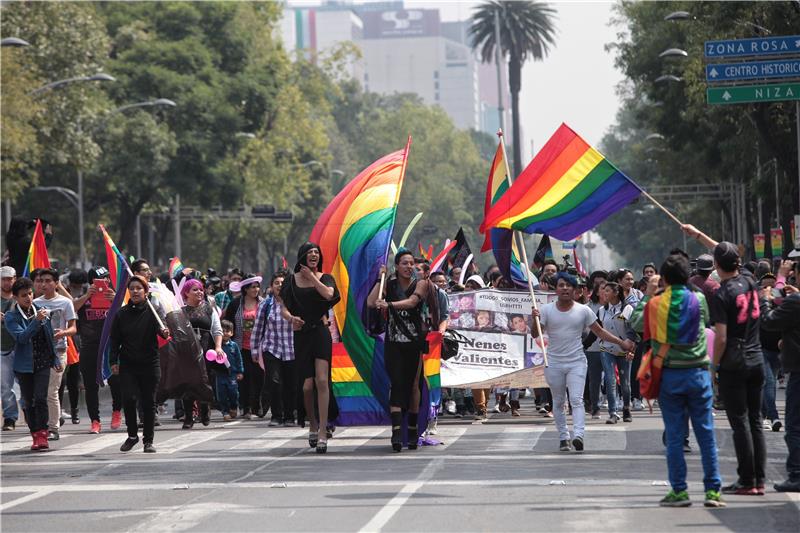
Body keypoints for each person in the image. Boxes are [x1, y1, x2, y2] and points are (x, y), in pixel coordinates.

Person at [630, 254, 724, 508]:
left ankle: (680, 491)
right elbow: (704, 324)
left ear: (665, 278)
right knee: (705, 434)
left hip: (670, 375)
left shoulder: (656, 303)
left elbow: (635, 322)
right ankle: (713, 491)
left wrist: (650, 292)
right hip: (698, 374)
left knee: (674, 436)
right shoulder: (699, 299)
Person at [532, 272, 635, 452]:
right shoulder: (546, 310)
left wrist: (622, 343)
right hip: (554, 363)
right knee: (558, 401)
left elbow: (600, 332)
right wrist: (534, 318)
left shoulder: (583, 310)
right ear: (555, 289)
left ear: (576, 290)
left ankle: (578, 435)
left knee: (576, 400)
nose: (564, 288)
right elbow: (535, 333)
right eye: (561, 285)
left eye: (568, 285)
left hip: (577, 362)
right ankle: (564, 437)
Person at [710, 241, 767, 496]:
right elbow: (727, 254)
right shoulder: (750, 282)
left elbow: (720, 337)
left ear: (716, 266)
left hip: (734, 362)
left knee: (740, 422)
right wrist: (699, 234)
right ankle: (759, 478)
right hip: (757, 359)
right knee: (755, 420)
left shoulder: (722, 294)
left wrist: (714, 365)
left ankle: (746, 480)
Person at [369, 249, 438, 451]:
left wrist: (388, 305)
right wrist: (378, 279)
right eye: (405, 263)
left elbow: (412, 302)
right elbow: (371, 302)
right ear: (396, 266)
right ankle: (397, 432)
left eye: (411, 264)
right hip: (393, 343)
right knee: (397, 383)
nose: (409, 267)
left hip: (414, 342)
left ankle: (413, 428)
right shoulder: (388, 283)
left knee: (413, 385)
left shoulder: (422, 284)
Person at [280, 242, 340, 454]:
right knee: (306, 386)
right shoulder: (290, 281)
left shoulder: (325, 277)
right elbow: (284, 308)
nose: (314, 255)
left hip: (321, 332)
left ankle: (323, 431)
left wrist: (313, 278)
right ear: (302, 256)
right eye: (310, 252)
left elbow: (329, 294)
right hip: (301, 335)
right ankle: (312, 424)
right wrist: (291, 318)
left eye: (317, 253)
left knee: (322, 380)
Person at [109, 276, 169, 453]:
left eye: (139, 288)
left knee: (148, 402)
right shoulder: (121, 314)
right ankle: (132, 436)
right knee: (128, 399)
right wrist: (113, 361)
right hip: (128, 363)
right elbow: (115, 340)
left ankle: (148, 441)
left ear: (146, 291)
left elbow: (163, 329)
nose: (135, 291)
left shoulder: (154, 310)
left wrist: (165, 332)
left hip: (150, 363)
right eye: (132, 288)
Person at [5, 277, 62, 451]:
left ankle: (43, 434)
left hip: (43, 361)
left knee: (41, 398)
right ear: (15, 297)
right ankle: (35, 433)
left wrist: (55, 358)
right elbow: (22, 338)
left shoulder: (41, 311)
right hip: (24, 365)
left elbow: (48, 338)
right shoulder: (11, 316)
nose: (28, 298)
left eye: (30, 293)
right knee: (28, 401)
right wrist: (36, 321)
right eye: (23, 295)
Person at [760, 258, 800, 492]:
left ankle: (796, 475)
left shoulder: (794, 301)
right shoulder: (795, 299)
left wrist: (765, 300)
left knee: (794, 426)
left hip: (798, 370)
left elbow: (769, 321)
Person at [73, 266, 119, 434]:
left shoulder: (116, 297)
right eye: (101, 279)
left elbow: (126, 313)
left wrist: (116, 300)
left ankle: (116, 411)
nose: (105, 281)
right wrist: (87, 296)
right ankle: (95, 421)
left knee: (116, 381)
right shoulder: (84, 299)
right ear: (92, 282)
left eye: (107, 278)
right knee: (91, 386)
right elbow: (71, 309)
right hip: (89, 347)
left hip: (111, 347)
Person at [33, 268, 77, 441]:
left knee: (52, 390)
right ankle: (43, 424)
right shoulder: (34, 302)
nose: (44, 284)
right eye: (41, 280)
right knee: (39, 392)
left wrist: (63, 333)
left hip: (59, 351)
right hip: (38, 352)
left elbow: (74, 328)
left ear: (56, 283)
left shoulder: (66, 303)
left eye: (48, 281)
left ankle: (53, 428)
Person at [252, 272, 296, 427]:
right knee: (274, 381)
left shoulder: (294, 302)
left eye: (282, 282)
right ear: (271, 286)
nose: (279, 285)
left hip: (291, 349)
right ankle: (276, 416)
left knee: (290, 383)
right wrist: (254, 349)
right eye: (276, 282)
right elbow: (258, 328)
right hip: (271, 348)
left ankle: (289, 415)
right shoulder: (266, 304)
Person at [181, 278, 223, 429]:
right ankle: (188, 417)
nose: (199, 292)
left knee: (206, 382)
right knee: (188, 384)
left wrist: (218, 347)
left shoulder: (209, 309)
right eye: (195, 290)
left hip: (207, 351)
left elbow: (217, 330)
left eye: (200, 289)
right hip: (188, 352)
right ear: (186, 293)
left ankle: (204, 410)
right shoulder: (181, 311)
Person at [223, 275, 263, 419]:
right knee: (243, 379)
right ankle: (245, 408)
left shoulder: (263, 303)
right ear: (245, 289)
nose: (256, 289)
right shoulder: (235, 304)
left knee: (259, 377)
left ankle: (257, 405)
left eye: (257, 286)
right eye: (253, 287)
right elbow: (227, 322)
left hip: (260, 347)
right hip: (240, 347)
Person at [597, 282, 637, 424]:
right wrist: (583, 344)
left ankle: (626, 408)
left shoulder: (627, 309)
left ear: (616, 292)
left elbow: (633, 330)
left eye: (607, 291)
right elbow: (598, 330)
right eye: (603, 290)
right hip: (607, 349)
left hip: (624, 349)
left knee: (625, 382)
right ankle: (613, 413)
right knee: (610, 379)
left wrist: (632, 347)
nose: (604, 293)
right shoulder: (601, 310)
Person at [758, 272, 782, 432]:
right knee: (769, 382)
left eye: (771, 286)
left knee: (769, 384)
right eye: (764, 286)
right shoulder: (759, 303)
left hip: (778, 351)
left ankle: (765, 414)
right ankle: (773, 417)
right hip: (762, 349)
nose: (768, 289)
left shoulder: (782, 304)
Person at [1, 266, 19, 431]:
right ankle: (10, 418)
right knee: (6, 387)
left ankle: (33, 415)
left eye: (10, 279)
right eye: (4, 279)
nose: (7, 282)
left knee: (29, 385)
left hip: (22, 347)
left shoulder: (21, 297)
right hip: (3, 348)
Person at [217, 320, 243, 421]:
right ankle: (225, 412)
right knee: (222, 394)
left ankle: (233, 407)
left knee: (234, 393)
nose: (225, 333)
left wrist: (240, 371)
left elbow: (239, 359)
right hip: (220, 374)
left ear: (232, 333)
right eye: (222, 331)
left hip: (232, 374)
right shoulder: (217, 346)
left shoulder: (234, 346)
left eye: (228, 331)